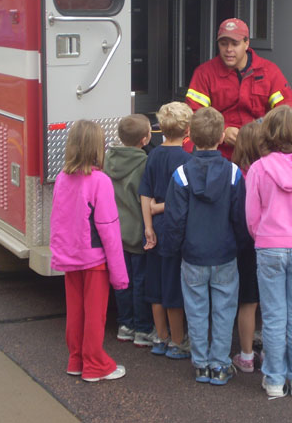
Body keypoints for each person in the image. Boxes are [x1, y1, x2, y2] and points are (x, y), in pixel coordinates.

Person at [161, 107, 248, 385]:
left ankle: (200, 364)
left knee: (196, 309)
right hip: (224, 253)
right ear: (223, 136)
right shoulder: (234, 173)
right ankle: (220, 365)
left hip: (193, 254)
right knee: (224, 310)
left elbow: (174, 220)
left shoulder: (181, 174)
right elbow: (240, 217)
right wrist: (241, 246)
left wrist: (172, 249)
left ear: (191, 135)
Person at [245, 106, 292, 399]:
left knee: (274, 317)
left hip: (269, 245)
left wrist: (263, 235)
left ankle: (274, 379)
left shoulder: (259, 169)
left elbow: (252, 215)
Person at [50, 120, 129, 382]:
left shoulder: (62, 178)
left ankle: (76, 360)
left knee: (75, 312)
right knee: (96, 315)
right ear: (98, 148)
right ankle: (95, 364)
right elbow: (109, 229)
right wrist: (120, 274)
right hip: (95, 260)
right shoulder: (101, 181)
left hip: (71, 258)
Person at [185, 18, 292, 160]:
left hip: (262, 153)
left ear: (246, 43)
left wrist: (261, 131)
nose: (228, 50)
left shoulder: (269, 72)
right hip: (219, 155)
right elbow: (193, 115)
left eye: (235, 44)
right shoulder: (204, 73)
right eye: (223, 44)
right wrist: (222, 131)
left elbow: (291, 115)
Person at [139, 101, 193, 359]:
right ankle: (178, 340)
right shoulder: (186, 160)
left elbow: (145, 193)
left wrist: (148, 225)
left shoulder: (152, 156)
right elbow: (184, 198)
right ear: (188, 131)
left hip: (154, 230)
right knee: (173, 287)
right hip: (175, 231)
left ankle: (160, 338)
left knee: (156, 286)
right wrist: (162, 208)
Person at [104, 114, 157, 347]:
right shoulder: (145, 165)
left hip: (115, 234)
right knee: (140, 281)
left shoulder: (108, 161)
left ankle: (125, 324)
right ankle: (142, 328)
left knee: (121, 281)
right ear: (145, 139)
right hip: (138, 234)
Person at [230, 120, 263, 373]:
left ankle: (246, 356)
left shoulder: (236, 176)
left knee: (247, 302)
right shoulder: (268, 172)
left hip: (244, 246)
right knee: (271, 302)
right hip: (271, 242)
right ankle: (272, 352)